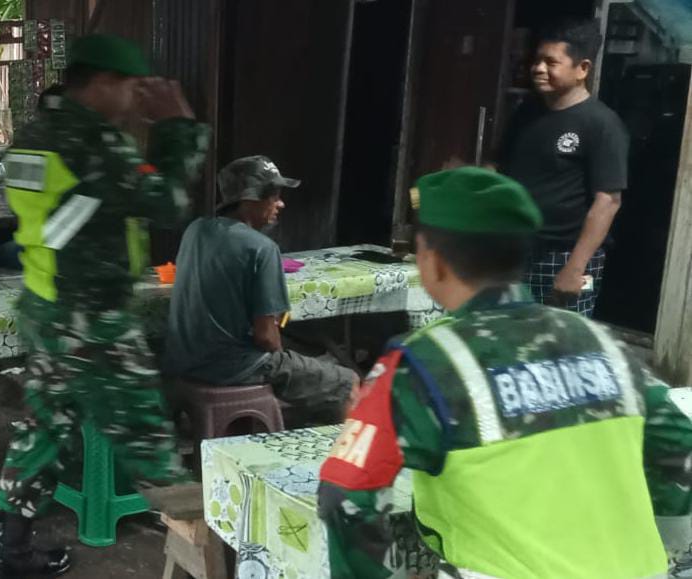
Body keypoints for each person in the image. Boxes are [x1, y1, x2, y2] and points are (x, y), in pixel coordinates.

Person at [317, 167, 692, 578]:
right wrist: (662, 541)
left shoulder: (426, 363)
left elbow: (344, 496)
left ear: (433, 262)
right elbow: (680, 442)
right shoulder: (601, 341)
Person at [0, 34, 209, 578]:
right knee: (151, 439)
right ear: (103, 82)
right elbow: (168, 202)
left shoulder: (34, 136)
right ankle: (215, 557)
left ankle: (11, 553)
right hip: (92, 319)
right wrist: (177, 127)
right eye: (131, 87)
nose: (135, 100)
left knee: (43, 430)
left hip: (45, 307)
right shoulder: (91, 141)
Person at [165, 156, 358, 425]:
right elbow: (267, 338)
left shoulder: (196, 230)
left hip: (183, 360)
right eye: (274, 196)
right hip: (230, 368)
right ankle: (335, 446)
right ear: (250, 198)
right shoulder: (261, 248)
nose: (280, 204)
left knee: (302, 356)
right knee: (347, 382)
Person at [500, 19, 628, 317]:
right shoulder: (526, 113)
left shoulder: (602, 124)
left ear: (582, 68)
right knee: (513, 334)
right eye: (537, 60)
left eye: (551, 62)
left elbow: (608, 201)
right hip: (515, 249)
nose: (538, 68)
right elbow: (500, 169)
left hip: (566, 256)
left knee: (560, 339)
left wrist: (575, 268)